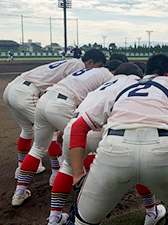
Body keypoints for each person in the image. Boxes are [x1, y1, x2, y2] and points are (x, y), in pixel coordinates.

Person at [67, 54, 168, 225]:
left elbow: (79, 127)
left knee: (82, 221)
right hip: (162, 148)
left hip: (114, 149)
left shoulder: (122, 89)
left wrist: (78, 174)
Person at [47, 62, 166, 225]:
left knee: (67, 167)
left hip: (74, 127)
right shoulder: (135, 83)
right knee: (137, 164)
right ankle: (151, 212)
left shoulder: (103, 85)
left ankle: (54, 218)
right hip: (99, 131)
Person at [11, 49, 107, 207]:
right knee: (87, 143)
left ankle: (19, 193)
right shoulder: (98, 72)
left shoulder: (79, 68)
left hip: (42, 97)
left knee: (37, 147)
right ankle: (87, 189)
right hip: (56, 101)